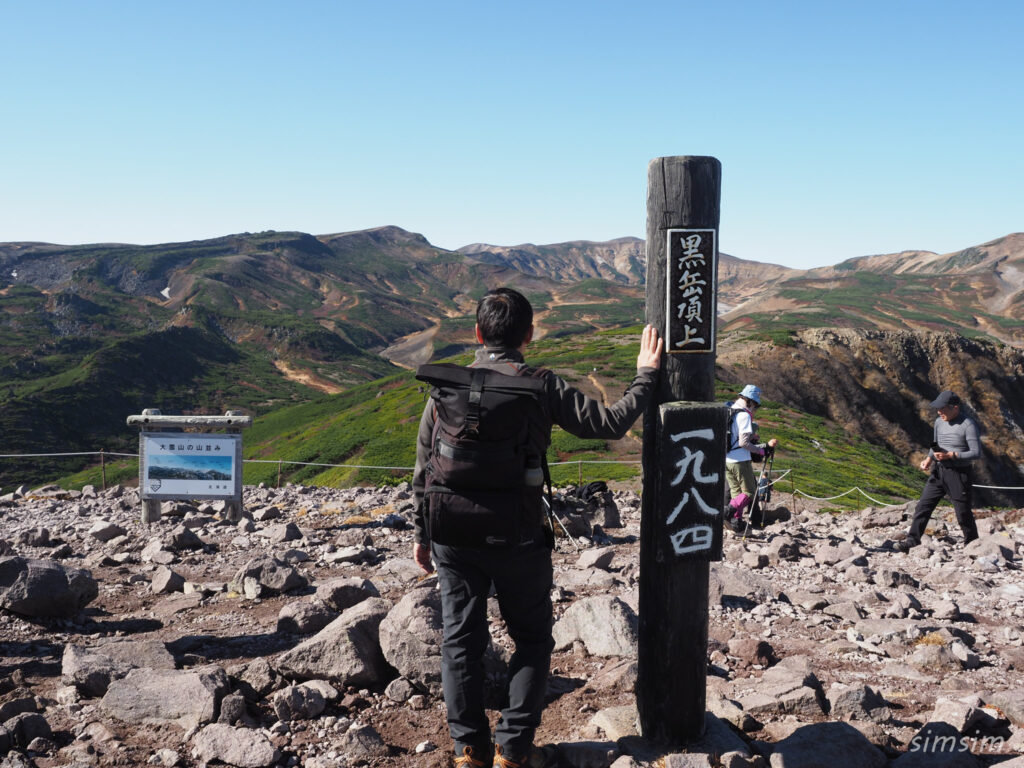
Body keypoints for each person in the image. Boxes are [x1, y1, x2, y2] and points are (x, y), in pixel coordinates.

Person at [412, 287, 663, 768]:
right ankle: (513, 750)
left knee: (461, 639)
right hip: (518, 535)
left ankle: (469, 751)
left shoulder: (446, 385)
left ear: (478, 333)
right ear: (529, 334)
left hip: (452, 534)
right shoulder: (540, 386)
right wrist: (645, 377)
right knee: (530, 639)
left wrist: (423, 534)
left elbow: (425, 463)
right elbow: (609, 424)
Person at [895, 390, 980, 553]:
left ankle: (973, 545)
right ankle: (912, 540)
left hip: (959, 473)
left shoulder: (968, 425)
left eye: (942, 408)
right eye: (938, 408)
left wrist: (951, 455)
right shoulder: (939, 422)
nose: (939, 411)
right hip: (938, 471)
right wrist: (929, 459)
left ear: (955, 408)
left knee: (962, 512)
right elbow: (935, 444)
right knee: (923, 506)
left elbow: (976, 452)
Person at [725, 384, 778, 532]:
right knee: (749, 492)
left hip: (727, 459)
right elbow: (743, 443)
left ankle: (736, 523)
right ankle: (727, 512)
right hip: (740, 460)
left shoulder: (730, 410)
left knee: (737, 493)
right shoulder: (744, 415)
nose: (755, 407)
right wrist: (759, 451)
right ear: (750, 401)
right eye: (755, 404)